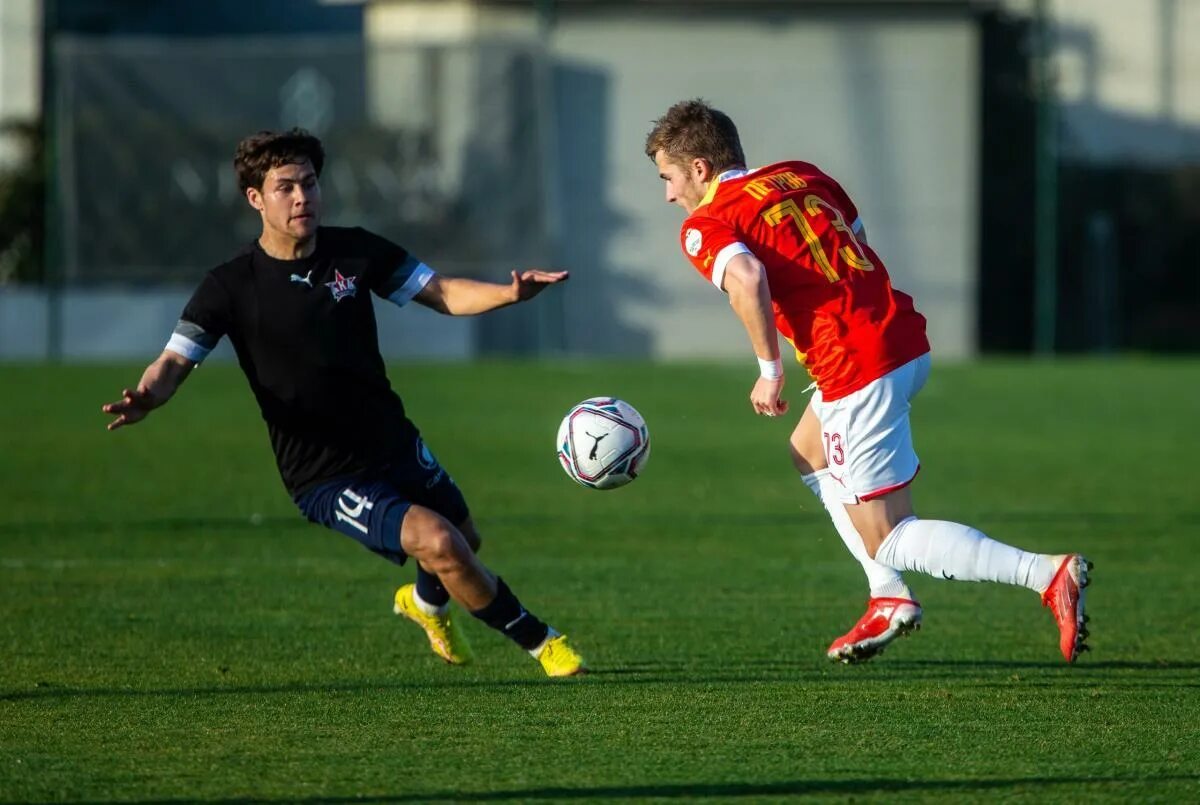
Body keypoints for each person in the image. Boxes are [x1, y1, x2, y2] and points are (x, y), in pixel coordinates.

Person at [102, 128, 585, 677]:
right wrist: (148, 396)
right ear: (255, 199)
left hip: (391, 439)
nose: (302, 197)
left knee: (463, 540)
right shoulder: (229, 287)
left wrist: (509, 293)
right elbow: (174, 361)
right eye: (285, 187)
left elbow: (442, 292)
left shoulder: (355, 251)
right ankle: (545, 644)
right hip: (324, 473)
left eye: (309, 183)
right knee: (442, 543)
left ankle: (425, 606)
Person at [645, 100, 1091, 664]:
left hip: (857, 366)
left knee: (889, 533)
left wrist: (770, 369)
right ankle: (887, 597)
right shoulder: (801, 174)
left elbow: (749, 277)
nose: (668, 194)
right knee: (809, 453)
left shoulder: (706, 223)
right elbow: (855, 236)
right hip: (898, 335)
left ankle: (1046, 574)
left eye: (669, 177)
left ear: (701, 169)